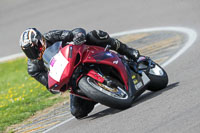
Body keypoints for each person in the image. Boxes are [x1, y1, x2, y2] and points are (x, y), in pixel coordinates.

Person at [19, 28, 140, 119]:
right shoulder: (33, 68)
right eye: (29, 52)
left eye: (35, 48)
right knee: (77, 112)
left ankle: (127, 50)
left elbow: (71, 32)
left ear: (41, 40)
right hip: (72, 79)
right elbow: (49, 84)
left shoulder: (51, 36)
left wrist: (78, 35)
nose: (34, 53)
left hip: (81, 57)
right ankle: (97, 93)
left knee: (94, 35)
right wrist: (55, 85)